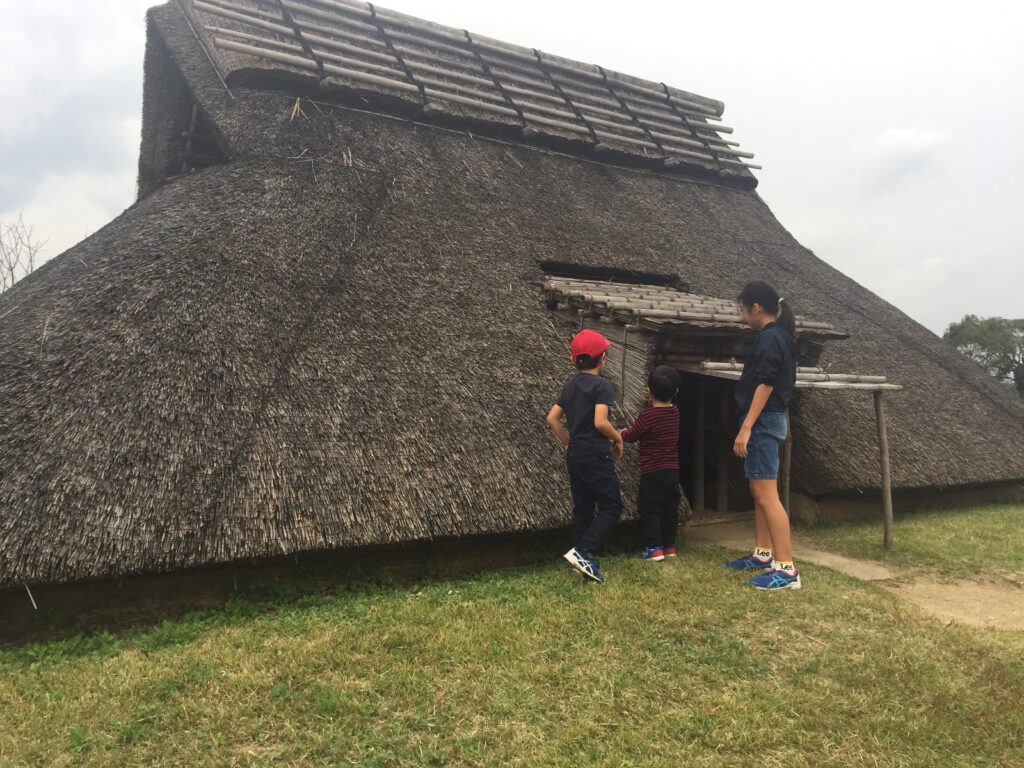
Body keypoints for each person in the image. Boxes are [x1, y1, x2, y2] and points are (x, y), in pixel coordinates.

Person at [724, 281, 802, 590]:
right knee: (760, 490)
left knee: (767, 495)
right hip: (766, 419)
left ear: (756, 308)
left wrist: (747, 426)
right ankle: (762, 554)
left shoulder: (771, 339)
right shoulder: (776, 337)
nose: (741, 315)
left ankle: (786, 569)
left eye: (742, 309)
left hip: (764, 420)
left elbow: (766, 384)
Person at [546, 329, 624, 583]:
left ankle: (579, 560)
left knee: (583, 508)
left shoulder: (570, 385)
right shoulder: (602, 386)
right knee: (612, 506)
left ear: (574, 360)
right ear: (602, 358)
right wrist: (618, 437)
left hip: (576, 453)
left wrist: (568, 441)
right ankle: (583, 552)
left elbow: (552, 418)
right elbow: (601, 422)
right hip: (595, 454)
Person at [621, 365, 682, 561]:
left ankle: (654, 548)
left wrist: (622, 433)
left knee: (650, 509)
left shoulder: (646, 416)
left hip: (652, 471)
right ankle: (669, 546)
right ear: (676, 392)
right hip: (672, 470)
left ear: (648, 391)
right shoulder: (675, 413)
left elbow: (632, 436)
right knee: (670, 510)